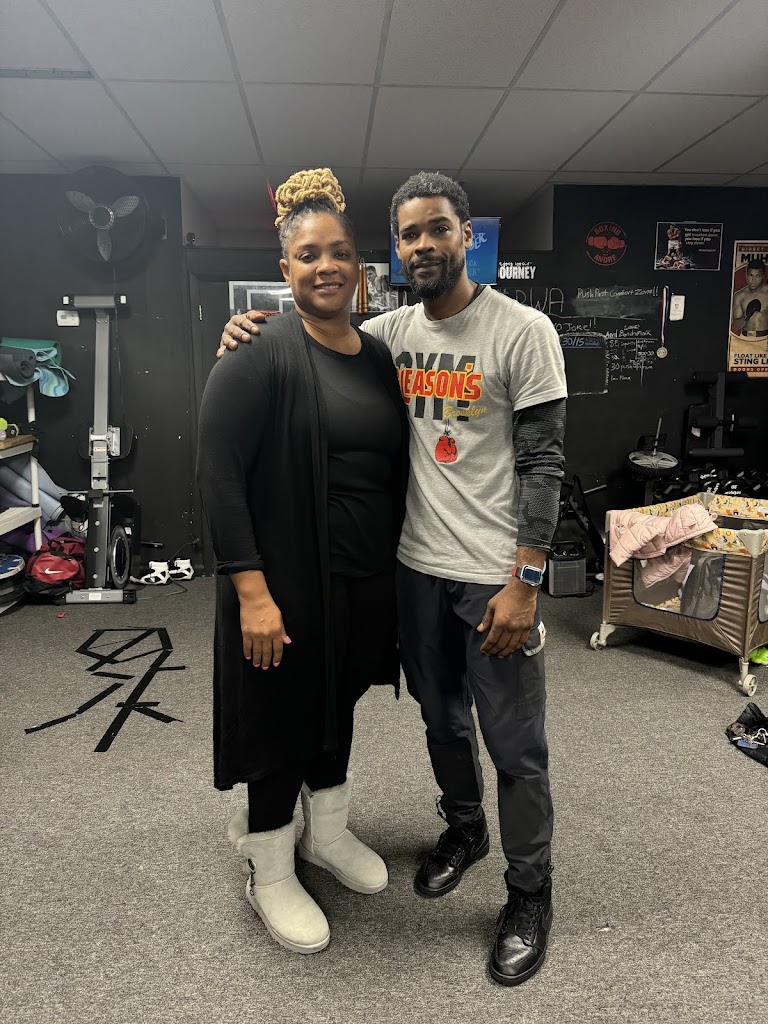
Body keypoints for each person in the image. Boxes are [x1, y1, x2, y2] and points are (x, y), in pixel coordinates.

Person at [219, 171, 567, 986]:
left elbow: (546, 464)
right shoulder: (386, 336)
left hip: (492, 579)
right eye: (409, 235)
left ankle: (530, 892)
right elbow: (316, 338)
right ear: (396, 249)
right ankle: (465, 829)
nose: (423, 245)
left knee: (515, 747)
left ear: (466, 234)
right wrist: (244, 334)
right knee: (442, 724)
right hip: (413, 571)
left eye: (438, 229)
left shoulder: (524, 331)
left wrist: (526, 581)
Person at [197, 168, 409, 956]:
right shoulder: (257, 352)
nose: (327, 266)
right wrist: (251, 593)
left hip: (363, 579)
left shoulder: (376, 355)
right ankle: (270, 866)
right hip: (282, 583)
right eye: (310, 254)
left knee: (336, 703)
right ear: (285, 268)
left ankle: (326, 832)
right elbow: (218, 478)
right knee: (279, 718)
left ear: (360, 265)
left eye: (340, 252)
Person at [731, 259, 768, 337]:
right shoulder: (740, 296)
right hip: (745, 339)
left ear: (763, 277)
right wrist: (746, 315)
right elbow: (736, 326)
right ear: (746, 275)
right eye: (750, 275)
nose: (753, 280)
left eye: (758, 276)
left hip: (765, 339)